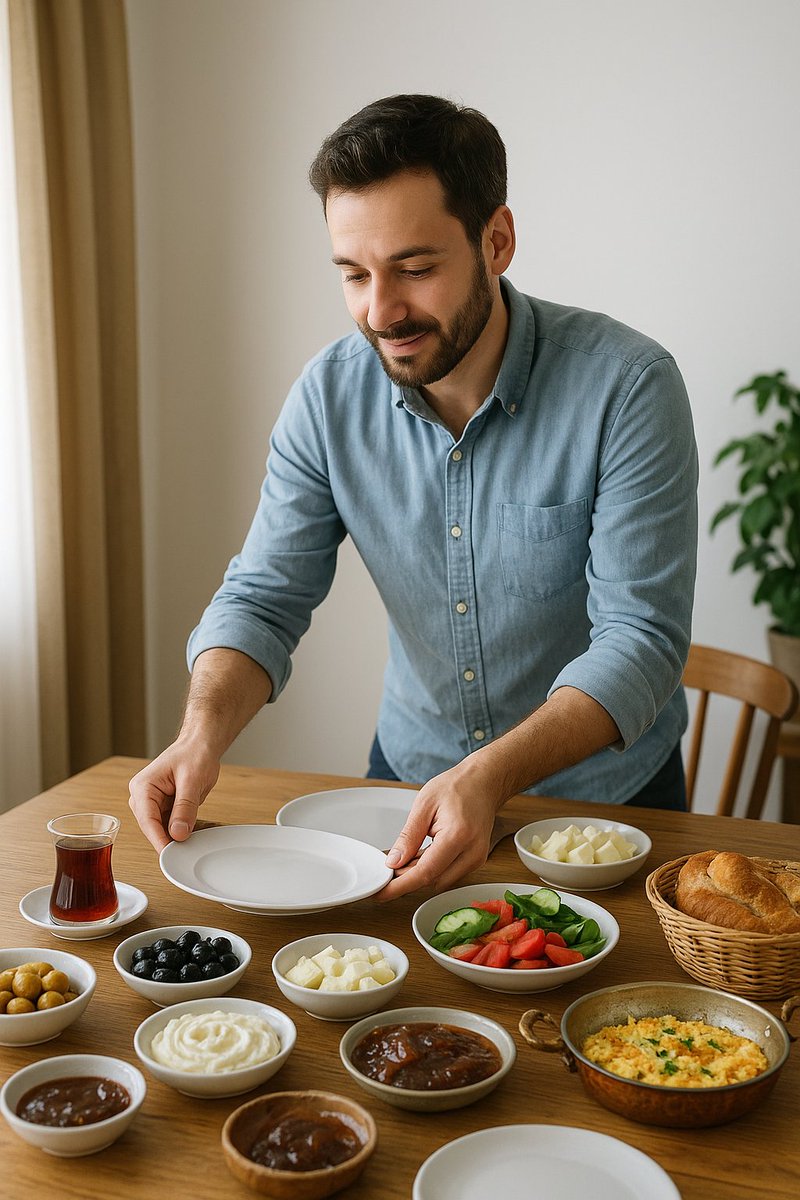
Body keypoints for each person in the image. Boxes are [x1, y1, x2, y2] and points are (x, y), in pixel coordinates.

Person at [129, 94, 698, 900]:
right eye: (354, 275)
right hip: (403, 793)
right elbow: (262, 599)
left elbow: (640, 640)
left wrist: (489, 775)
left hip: (601, 808)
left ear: (495, 241)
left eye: (415, 269)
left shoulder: (628, 387)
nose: (380, 311)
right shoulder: (328, 398)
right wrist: (199, 737)